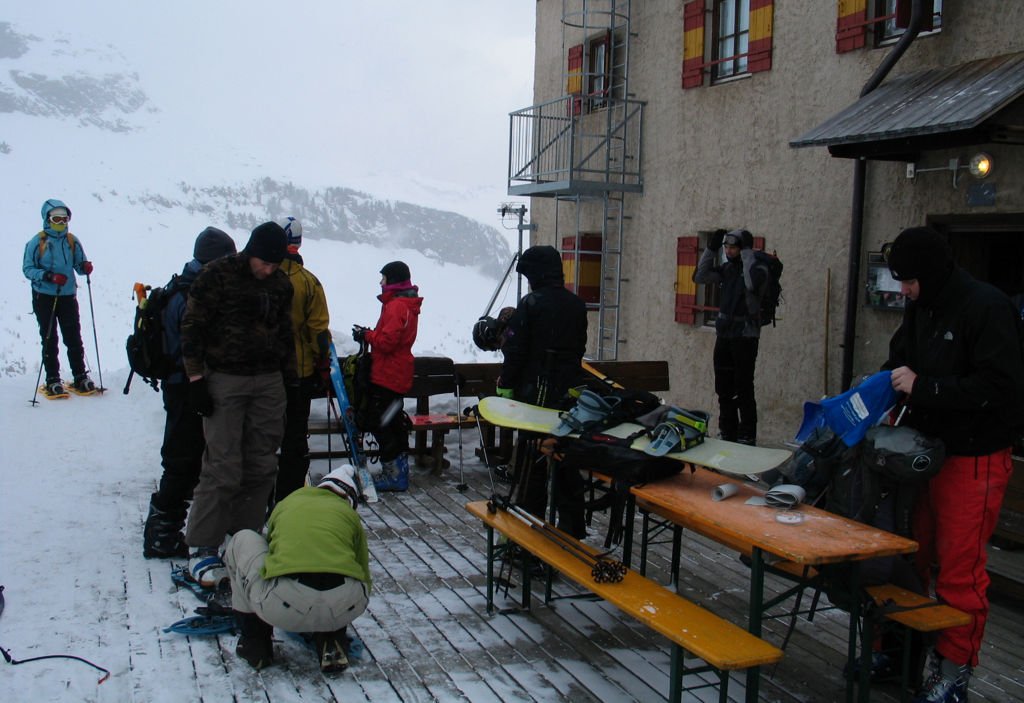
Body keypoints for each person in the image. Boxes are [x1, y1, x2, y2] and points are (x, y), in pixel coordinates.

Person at [883, 226, 1024, 703]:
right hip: (922, 453)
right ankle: (900, 652)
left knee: (960, 569)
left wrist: (926, 388)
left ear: (932, 273)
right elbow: (899, 359)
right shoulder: (922, 304)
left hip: (974, 457)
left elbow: (1000, 387)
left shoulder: (987, 308)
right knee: (909, 555)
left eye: (908, 281)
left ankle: (953, 672)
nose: (902, 290)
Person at [180, 221, 297, 587]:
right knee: (223, 465)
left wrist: (291, 382)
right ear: (251, 252)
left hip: (267, 380)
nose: (269, 270)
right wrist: (196, 379)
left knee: (262, 464)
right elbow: (192, 326)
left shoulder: (281, 285)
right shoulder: (218, 276)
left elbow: (285, 334)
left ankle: (243, 539)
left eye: (275, 264)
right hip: (225, 379)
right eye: (265, 262)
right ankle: (202, 547)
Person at [143, 227, 237, 559]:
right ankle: (161, 535)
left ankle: (166, 530)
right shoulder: (191, 295)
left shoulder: (182, 287)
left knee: (188, 458)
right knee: (182, 459)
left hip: (180, 384)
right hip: (186, 386)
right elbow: (195, 346)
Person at [224, 464, 371, 673]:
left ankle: (255, 643)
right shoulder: (349, 516)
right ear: (350, 499)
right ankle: (332, 636)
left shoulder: (288, 504)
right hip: (342, 607)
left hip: (284, 604)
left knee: (243, 539)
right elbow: (363, 573)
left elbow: (272, 553)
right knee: (339, 570)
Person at [496, 245, 588, 535]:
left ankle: (528, 532)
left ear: (536, 274)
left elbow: (516, 351)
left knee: (531, 466)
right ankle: (572, 530)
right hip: (569, 397)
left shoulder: (531, 304)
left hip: (535, 398)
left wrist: (506, 386)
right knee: (565, 459)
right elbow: (578, 348)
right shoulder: (576, 304)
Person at [274, 216, 332, 503]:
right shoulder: (309, 283)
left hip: (265, 375)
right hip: (299, 374)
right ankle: (290, 495)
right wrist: (324, 364)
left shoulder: (263, 278)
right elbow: (318, 331)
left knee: (264, 436)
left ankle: (261, 494)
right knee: (294, 439)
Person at [352, 261, 422, 492]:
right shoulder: (405, 305)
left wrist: (367, 335)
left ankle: (394, 475)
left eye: (383, 278)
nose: (381, 282)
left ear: (393, 280)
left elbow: (387, 342)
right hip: (397, 372)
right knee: (391, 423)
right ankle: (398, 471)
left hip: (388, 373)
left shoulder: (396, 306)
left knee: (382, 423)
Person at [692, 228, 767, 445]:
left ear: (743, 248)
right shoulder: (727, 269)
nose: (728, 251)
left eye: (732, 247)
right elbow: (700, 276)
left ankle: (747, 434)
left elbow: (753, 284)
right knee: (723, 387)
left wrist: (746, 254)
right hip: (724, 334)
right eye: (726, 247)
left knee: (743, 386)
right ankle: (728, 430)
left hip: (745, 336)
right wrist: (711, 248)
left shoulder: (757, 267)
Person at [22, 199, 97, 396]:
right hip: (44, 296)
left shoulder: (72, 241)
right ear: (47, 219)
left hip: (67, 296)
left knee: (73, 336)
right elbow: (28, 269)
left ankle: (80, 375)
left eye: (64, 219)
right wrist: (48, 276)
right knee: (49, 337)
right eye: (57, 218)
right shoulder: (37, 242)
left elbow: (79, 266)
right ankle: (53, 378)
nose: (61, 222)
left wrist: (85, 267)